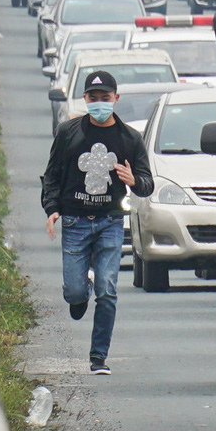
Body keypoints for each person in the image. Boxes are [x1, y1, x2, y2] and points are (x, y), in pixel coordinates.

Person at [41, 70, 154, 375]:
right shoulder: (68, 133)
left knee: (108, 289)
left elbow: (147, 183)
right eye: (94, 98)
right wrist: (52, 208)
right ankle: (81, 289)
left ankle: (98, 357)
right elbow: (51, 176)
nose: (100, 103)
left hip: (110, 222)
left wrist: (135, 181)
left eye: (106, 98)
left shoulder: (130, 138)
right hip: (75, 221)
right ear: (85, 99)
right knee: (75, 294)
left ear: (116, 99)